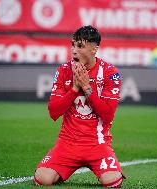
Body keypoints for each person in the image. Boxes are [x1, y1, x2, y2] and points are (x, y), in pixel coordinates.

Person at [34, 25, 124, 188]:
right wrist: (75, 89)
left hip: (97, 144)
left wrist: (87, 89)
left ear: (94, 49)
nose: (74, 50)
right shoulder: (63, 70)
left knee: (113, 181)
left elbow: (107, 115)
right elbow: (53, 112)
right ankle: (62, 169)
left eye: (80, 46)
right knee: (42, 178)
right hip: (67, 143)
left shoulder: (110, 73)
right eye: (73, 45)